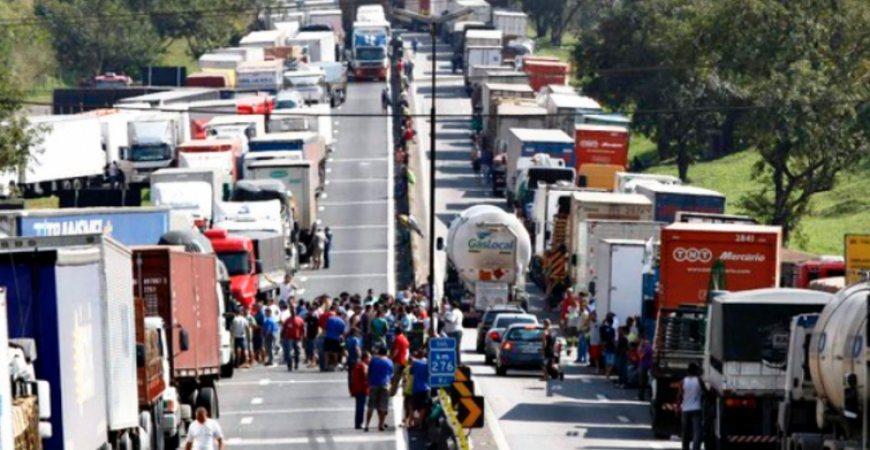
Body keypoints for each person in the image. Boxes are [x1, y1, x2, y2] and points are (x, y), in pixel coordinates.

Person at [365, 346, 395, 432]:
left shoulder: (373, 360)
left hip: (374, 384)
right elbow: (392, 375)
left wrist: (369, 382)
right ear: (386, 353)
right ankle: (380, 425)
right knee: (383, 406)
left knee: (371, 406)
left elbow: (369, 372)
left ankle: (367, 425)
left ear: (379, 353)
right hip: (385, 384)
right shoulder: (390, 362)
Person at [678, 363, 704, 450]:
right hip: (697, 409)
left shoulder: (683, 381)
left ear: (687, 371)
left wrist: (678, 407)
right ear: (696, 371)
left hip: (685, 410)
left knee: (685, 432)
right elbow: (705, 392)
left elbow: (679, 396)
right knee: (697, 432)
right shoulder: (699, 380)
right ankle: (696, 448)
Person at [408, 350, 430, 429]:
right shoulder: (428, 362)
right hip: (426, 388)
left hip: (416, 388)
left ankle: (411, 423)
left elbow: (411, 372)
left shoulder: (415, 363)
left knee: (412, 406)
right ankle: (420, 423)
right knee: (423, 407)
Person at [350, 351, 371, 429]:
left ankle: (357, 423)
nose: (370, 359)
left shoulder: (358, 365)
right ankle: (359, 423)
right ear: (365, 358)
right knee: (360, 407)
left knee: (359, 406)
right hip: (362, 389)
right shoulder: (363, 366)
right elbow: (366, 376)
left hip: (357, 388)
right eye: (369, 357)